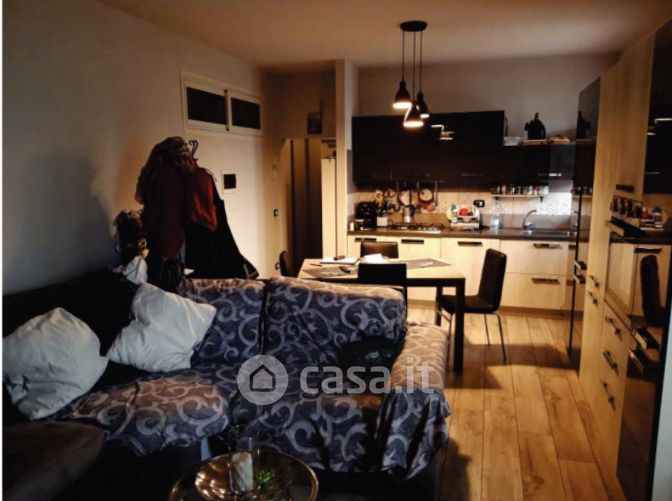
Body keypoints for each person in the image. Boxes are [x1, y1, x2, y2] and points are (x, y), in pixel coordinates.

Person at [135, 137, 250, 291]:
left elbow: (168, 220)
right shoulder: (201, 176)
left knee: (177, 291)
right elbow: (212, 218)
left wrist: (161, 254)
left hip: (179, 247)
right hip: (204, 244)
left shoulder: (166, 176)